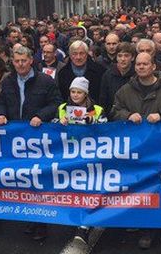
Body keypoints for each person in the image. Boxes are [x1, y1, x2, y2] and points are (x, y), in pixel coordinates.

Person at [110, 52, 161, 249]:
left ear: (154, 67)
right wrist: (127, 114)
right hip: (135, 150)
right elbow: (114, 111)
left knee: (157, 188)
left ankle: (151, 227)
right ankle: (138, 220)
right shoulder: (125, 90)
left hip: (160, 150)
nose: (140, 67)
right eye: (138, 64)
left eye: (145, 64)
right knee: (137, 187)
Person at [0, 46, 61, 241]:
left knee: (38, 181)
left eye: (24, 60)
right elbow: (2, 102)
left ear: (31, 60)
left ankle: (41, 223)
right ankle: (30, 218)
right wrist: (0, 113)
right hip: (16, 139)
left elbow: (56, 103)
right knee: (23, 181)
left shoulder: (45, 80)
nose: (20, 64)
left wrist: (41, 116)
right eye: (17, 61)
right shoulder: (8, 82)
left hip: (38, 138)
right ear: (12, 62)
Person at [57, 76, 105, 245]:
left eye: (79, 92)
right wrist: (59, 123)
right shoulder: (63, 108)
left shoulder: (96, 109)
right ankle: (75, 218)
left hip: (89, 156)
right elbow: (51, 129)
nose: (75, 95)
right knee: (72, 188)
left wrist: (94, 122)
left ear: (86, 94)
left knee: (88, 189)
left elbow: (108, 128)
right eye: (73, 91)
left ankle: (84, 226)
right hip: (69, 156)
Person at [99, 42, 136, 116]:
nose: (123, 59)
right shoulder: (108, 74)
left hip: (133, 116)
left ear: (132, 57)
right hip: (112, 116)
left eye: (126, 56)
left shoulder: (136, 75)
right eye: (120, 56)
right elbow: (103, 99)